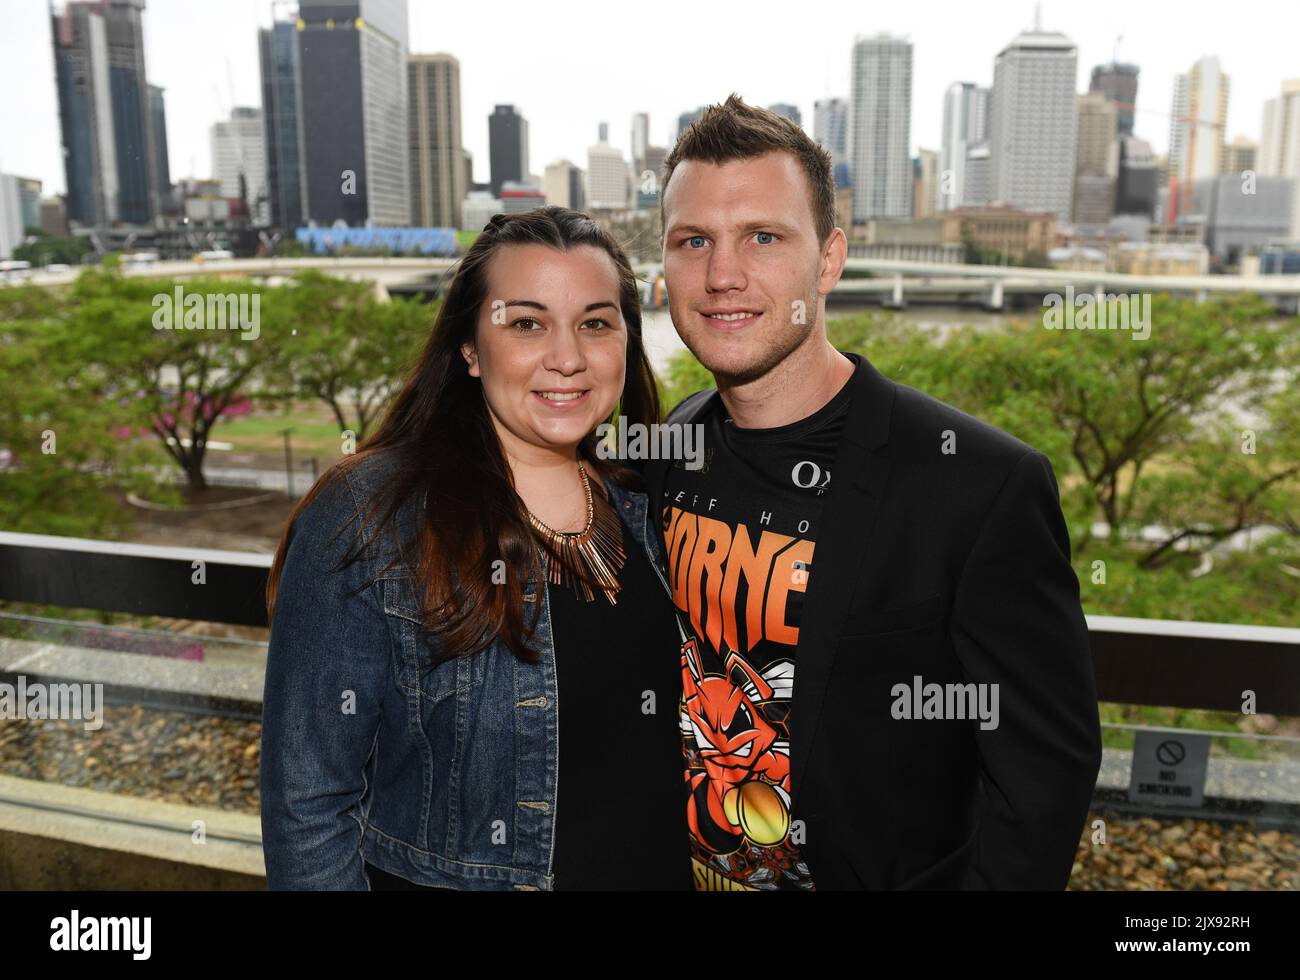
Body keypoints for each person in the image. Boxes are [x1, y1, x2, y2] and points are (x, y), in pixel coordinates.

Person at [643, 94, 1103, 891]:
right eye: (694, 241)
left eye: (763, 236)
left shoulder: (978, 484)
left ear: (827, 260)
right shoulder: (673, 444)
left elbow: (1045, 778)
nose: (723, 274)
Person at [260, 207, 693, 890]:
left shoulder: (651, 504)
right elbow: (307, 805)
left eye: (595, 323)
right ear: (469, 347)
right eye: (526, 323)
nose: (568, 356)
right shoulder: (371, 515)